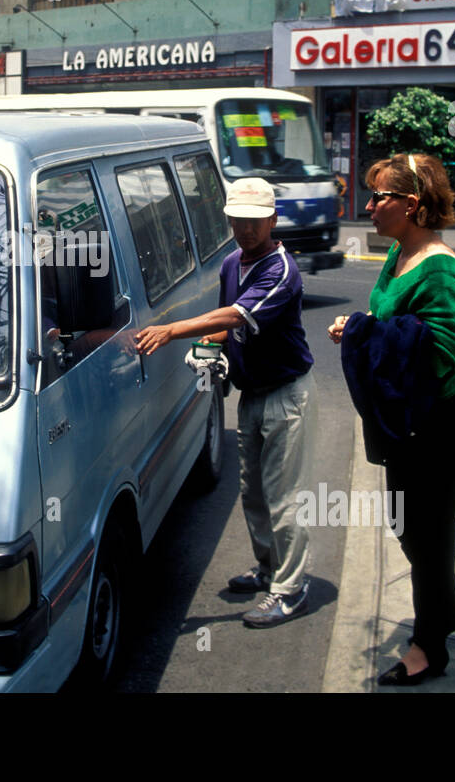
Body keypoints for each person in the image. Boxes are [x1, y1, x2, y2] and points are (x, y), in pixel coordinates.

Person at [328, 153, 455, 686]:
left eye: (378, 198)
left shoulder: (440, 266)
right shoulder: (398, 252)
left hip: (443, 424)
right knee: (407, 528)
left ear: (411, 205)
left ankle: (429, 647)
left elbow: (444, 349)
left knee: (430, 537)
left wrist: (363, 336)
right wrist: (362, 324)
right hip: (410, 424)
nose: (367, 206)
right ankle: (454, 605)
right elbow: (395, 320)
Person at [136, 178, 316, 628]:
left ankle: (291, 590)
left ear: (273, 221)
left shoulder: (281, 271)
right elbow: (225, 327)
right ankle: (268, 568)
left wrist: (173, 330)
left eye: (255, 221)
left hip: (285, 394)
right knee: (253, 492)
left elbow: (237, 315)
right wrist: (207, 349)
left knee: (284, 497)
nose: (246, 229)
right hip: (252, 392)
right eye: (238, 220)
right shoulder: (232, 263)